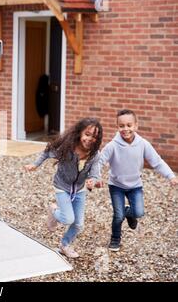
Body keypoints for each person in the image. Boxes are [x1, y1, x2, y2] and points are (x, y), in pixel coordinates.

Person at [97, 109, 177, 252]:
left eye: (129, 125)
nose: (125, 129)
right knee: (118, 215)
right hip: (116, 185)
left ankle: (129, 213)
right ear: (117, 127)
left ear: (136, 126)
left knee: (138, 212)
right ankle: (115, 239)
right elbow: (100, 161)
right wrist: (96, 177)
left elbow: (157, 162)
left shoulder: (143, 144)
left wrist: (170, 175)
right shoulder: (112, 146)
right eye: (121, 126)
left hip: (135, 185)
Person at [24, 118, 103, 258]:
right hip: (62, 186)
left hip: (79, 189)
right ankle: (53, 210)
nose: (90, 139)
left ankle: (64, 245)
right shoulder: (67, 148)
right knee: (67, 219)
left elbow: (95, 174)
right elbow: (47, 152)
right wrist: (35, 165)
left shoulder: (95, 155)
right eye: (87, 134)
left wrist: (94, 181)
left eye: (95, 137)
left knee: (78, 224)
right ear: (80, 133)